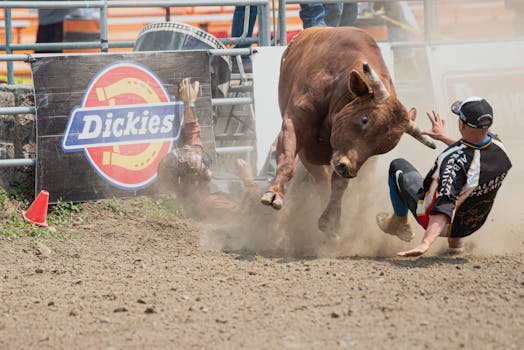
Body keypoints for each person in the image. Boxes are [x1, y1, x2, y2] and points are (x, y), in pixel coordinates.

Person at [376, 97, 512, 257]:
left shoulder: (452, 163)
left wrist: (425, 243)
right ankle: (456, 245)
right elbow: (472, 151)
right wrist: (443, 137)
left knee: (397, 166)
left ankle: (399, 222)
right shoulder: (499, 147)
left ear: (462, 125)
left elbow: (444, 206)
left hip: (439, 222)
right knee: (466, 191)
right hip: (474, 222)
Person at [157, 78, 261, 221]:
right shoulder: (211, 202)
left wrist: (189, 104)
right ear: (193, 180)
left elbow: (193, 132)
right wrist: (249, 180)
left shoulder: (194, 178)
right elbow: (252, 216)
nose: (196, 155)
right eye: (201, 165)